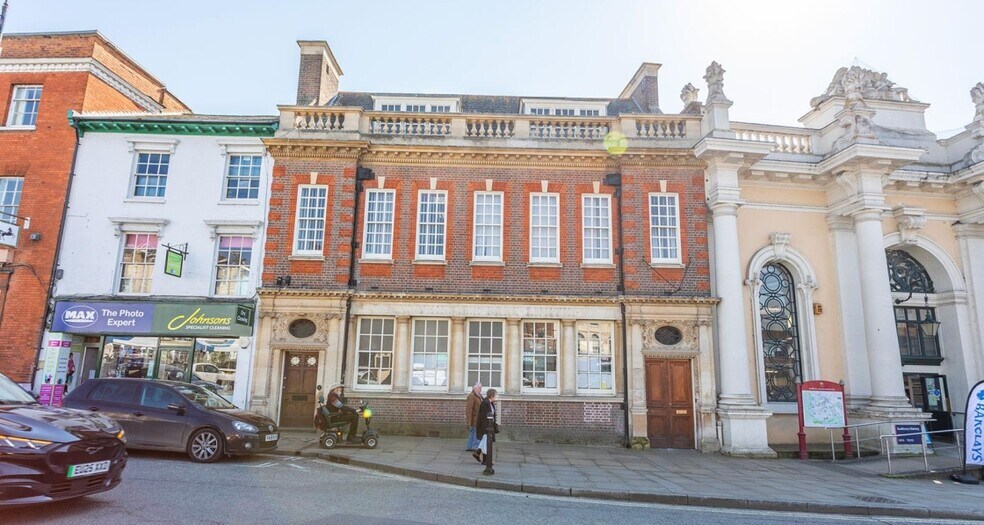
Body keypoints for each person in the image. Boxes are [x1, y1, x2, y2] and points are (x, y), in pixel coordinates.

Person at [473, 388, 499, 463]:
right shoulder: (485, 403)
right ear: (492, 395)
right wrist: (486, 429)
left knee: (485, 441)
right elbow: (483, 417)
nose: (497, 396)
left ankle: (478, 454)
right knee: (486, 443)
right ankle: (485, 460)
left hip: (489, 426)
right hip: (486, 427)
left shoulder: (490, 403)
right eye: (496, 395)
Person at [465, 382, 483, 452]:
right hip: (474, 418)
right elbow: (469, 409)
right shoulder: (472, 396)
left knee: (473, 433)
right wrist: (469, 421)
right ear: (474, 388)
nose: (481, 389)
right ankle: (475, 446)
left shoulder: (478, 396)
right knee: (476, 433)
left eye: (481, 388)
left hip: (478, 418)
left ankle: (469, 446)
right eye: (479, 388)